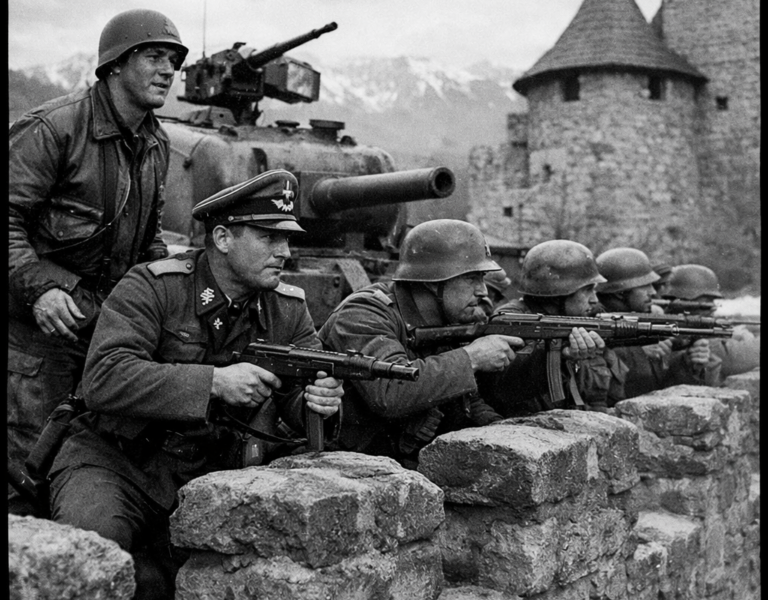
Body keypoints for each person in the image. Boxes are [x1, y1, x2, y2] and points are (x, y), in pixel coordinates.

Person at [46, 170, 344, 600]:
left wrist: (321, 402)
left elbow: (299, 403)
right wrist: (213, 383)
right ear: (222, 238)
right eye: (268, 238)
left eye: (286, 240)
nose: (284, 252)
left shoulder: (287, 309)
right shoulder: (155, 287)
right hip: (116, 462)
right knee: (90, 556)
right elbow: (104, 377)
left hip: (208, 473)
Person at [8, 9, 189, 514]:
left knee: (81, 469)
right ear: (115, 64)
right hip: (34, 335)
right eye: (154, 56)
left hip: (100, 330)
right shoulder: (54, 128)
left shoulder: (155, 142)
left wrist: (167, 306)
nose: (167, 70)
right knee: (24, 476)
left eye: (173, 61)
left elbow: (149, 243)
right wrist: (39, 287)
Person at [318, 219, 521, 467]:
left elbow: (466, 404)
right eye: (471, 278)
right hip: (340, 465)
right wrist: (471, 358)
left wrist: (504, 433)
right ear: (432, 281)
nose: (483, 291)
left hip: (395, 463)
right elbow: (389, 392)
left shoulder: (442, 320)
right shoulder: (363, 314)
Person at [489, 240, 622, 416]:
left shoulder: (577, 320)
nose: (594, 300)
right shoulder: (512, 320)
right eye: (587, 290)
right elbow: (504, 388)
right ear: (560, 290)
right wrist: (557, 355)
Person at [595, 248, 721, 399]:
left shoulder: (642, 321)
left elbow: (660, 390)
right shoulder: (594, 324)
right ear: (620, 292)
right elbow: (599, 391)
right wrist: (639, 352)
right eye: (644, 286)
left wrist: (689, 364)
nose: (653, 292)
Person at [664, 264, 759, 377]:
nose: (712, 307)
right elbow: (742, 356)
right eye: (707, 301)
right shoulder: (694, 338)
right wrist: (744, 336)